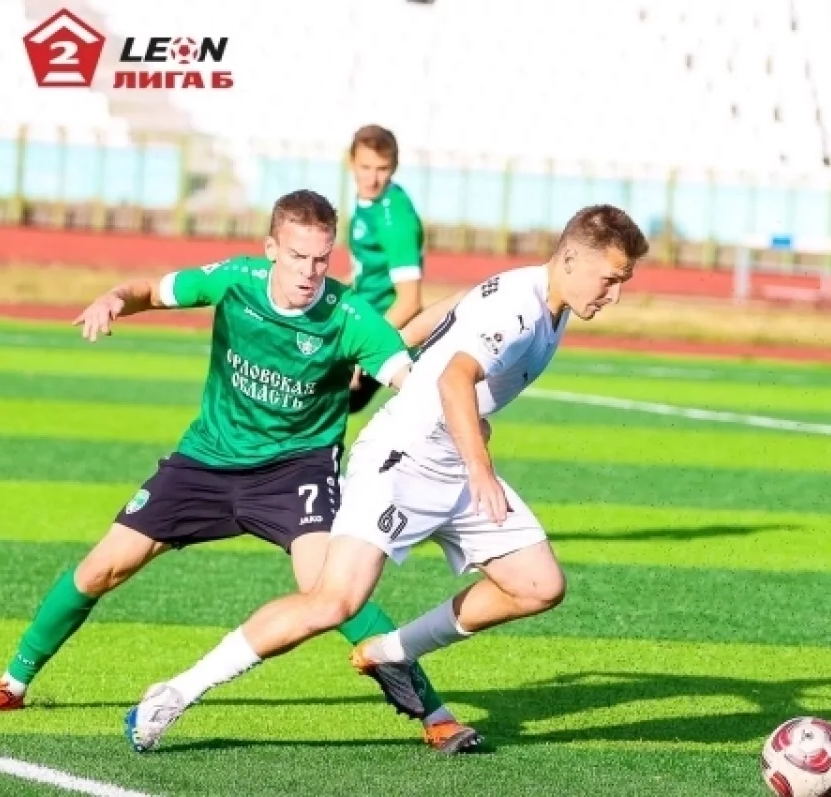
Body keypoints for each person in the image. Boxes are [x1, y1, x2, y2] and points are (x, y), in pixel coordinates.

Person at [0, 188, 483, 754]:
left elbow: (411, 383)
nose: (309, 272)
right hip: (205, 460)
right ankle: (12, 682)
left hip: (296, 471)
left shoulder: (351, 317)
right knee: (103, 567)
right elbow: (150, 291)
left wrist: (459, 420)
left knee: (332, 593)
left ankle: (435, 715)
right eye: (297, 256)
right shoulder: (234, 280)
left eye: (321, 259)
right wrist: (113, 298)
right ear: (271, 249)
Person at [123, 204, 650, 752]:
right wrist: (480, 468)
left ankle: (392, 652)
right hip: (402, 459)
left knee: (538, 585)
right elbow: (454, 380)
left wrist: (395, 341)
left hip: (453, 460)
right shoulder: (520, 307)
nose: (614, 295)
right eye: (610, 279)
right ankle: (175, 693)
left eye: (622, 282)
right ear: (571, 259)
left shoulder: (533, 292)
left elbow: (454, 308)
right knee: (332, 603)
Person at [345, 124, 426, 415]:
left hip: (385, 332)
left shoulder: (395, 218)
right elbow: (364, 271)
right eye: (365, 167)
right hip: (363, 322)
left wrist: (365, 348)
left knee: (311, 402)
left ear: (395, 167)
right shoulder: (368, 202)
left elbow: (409, 302)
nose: (372, 178)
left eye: (382, 169)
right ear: (351, 162)